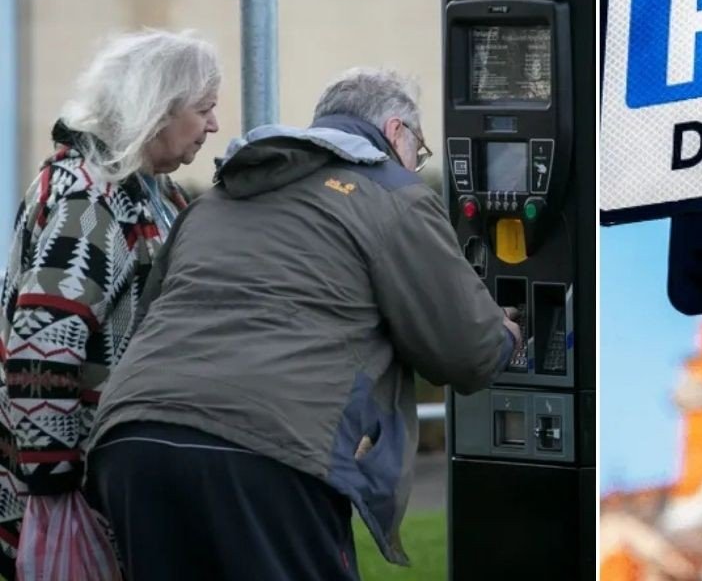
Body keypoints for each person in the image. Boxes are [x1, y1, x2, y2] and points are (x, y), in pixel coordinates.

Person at [86, 67, 520, 580]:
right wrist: (507, 333)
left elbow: (150, 319)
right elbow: (465, 351)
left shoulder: (215, 201)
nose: (413, 164)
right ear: (396, 132)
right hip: (265, 449)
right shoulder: (392, 195)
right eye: (417, 150)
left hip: (132, 442)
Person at [0, 30, 221, 580]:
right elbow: (41, 346)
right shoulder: (89, 198)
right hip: (78, 487)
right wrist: (54, 489)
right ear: (157, 110)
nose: (214, 125)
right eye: (203, 110)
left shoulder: (150, 190)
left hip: (112, 473)